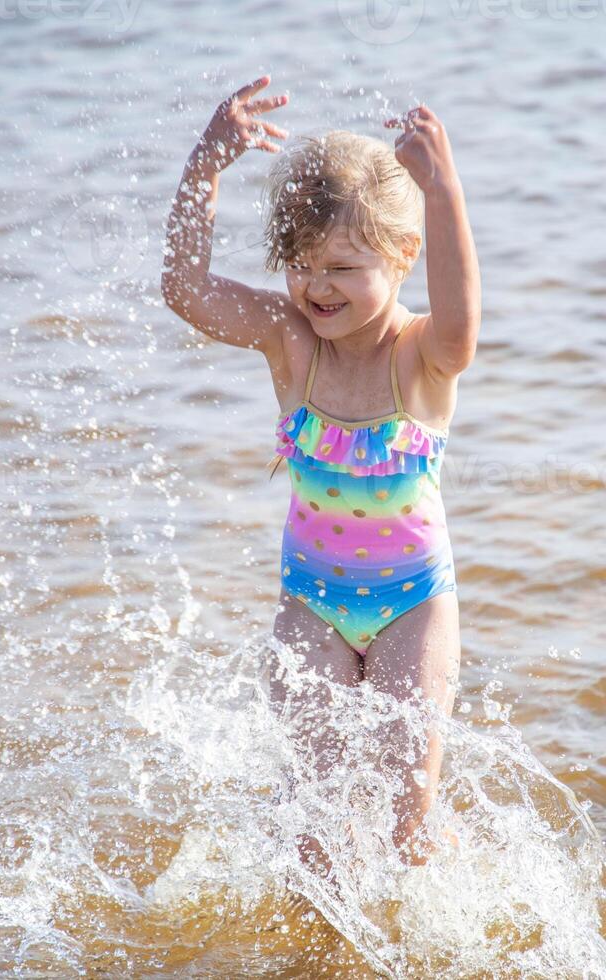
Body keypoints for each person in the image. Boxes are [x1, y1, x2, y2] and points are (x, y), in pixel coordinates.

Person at [161, 74, 481, 877]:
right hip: (311, 606)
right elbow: (185, 290)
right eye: (300, 264)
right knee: (315, 838)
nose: (316, 286)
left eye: (341, 265)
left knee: (408, 828)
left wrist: (441, 192)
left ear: (402, 256)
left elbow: (462, 324)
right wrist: (206, 166)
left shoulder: (420, 358)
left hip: (413, 603)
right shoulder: (289, 340)